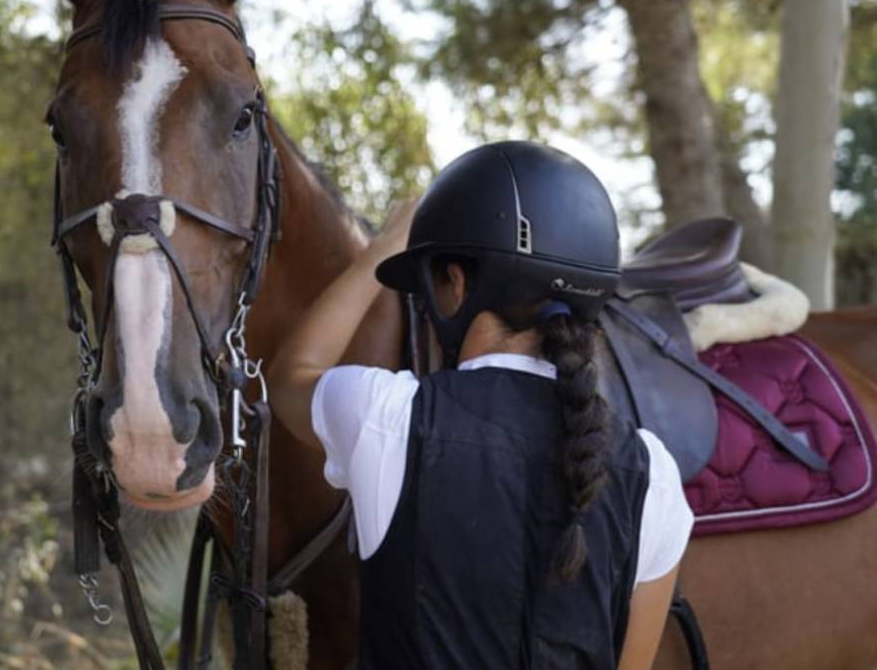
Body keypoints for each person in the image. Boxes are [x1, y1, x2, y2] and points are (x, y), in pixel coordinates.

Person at [267, 141, 694, 670]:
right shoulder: (654, 473)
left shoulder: (387, 417)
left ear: (457, 283)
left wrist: (378, 252)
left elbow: (289, 379)